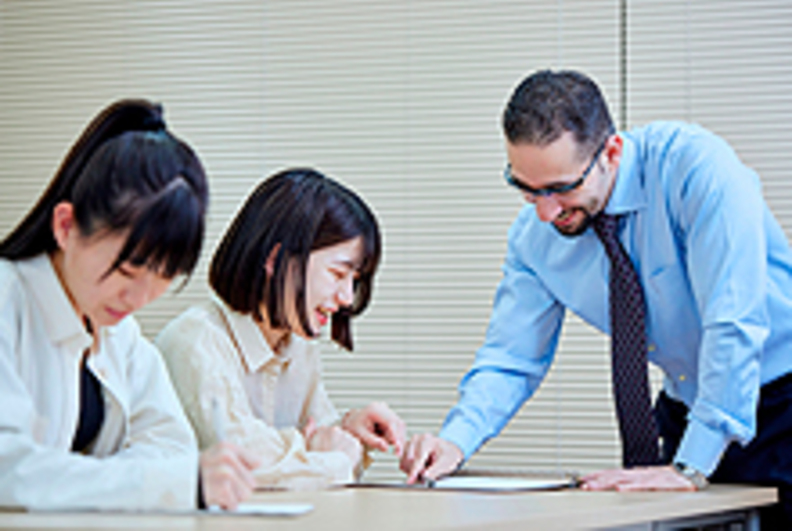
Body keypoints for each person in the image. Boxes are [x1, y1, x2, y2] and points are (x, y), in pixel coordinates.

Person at [400, 69, 792, 528]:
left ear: (611, 152)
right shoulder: (535, 238)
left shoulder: (696, 169)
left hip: (781, 401)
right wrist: (455, 441)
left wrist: (692, 464)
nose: (545, 212)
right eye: (526, 188)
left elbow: (734, 320)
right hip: (689, 408)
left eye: (561, 188)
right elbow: (511, 358)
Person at [0, 99, 260, 511]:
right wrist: (148, 482)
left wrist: (92, 482)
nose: (139, 299)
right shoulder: (8, 300)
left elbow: (172, 447)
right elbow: (9, 472)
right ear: (66, 226)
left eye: (165, 276)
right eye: (128, 269)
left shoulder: (119, 333)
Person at [156, 168, 406, 489]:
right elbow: (246, 465)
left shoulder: (299, 347)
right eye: (337, 274)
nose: (346, 298)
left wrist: (349, 427)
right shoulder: (195, 341)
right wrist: (330, 456)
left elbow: (324, 448)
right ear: (276, 259)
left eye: (354, 281)